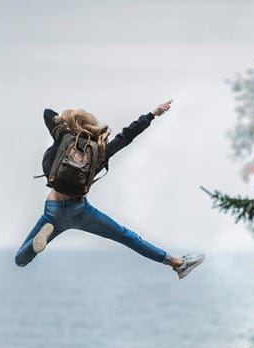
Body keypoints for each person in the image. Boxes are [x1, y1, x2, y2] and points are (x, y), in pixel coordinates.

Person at [15, 100, 204, 279]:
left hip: (53, 211)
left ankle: (34, 245)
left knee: (20, 260)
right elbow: (126, 136)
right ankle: (177, 263)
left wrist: (66, 125)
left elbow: (48, 113)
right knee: (126, 237)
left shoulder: (63, 138)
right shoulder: (99, 151)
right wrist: (152, 114)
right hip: (80, 212)